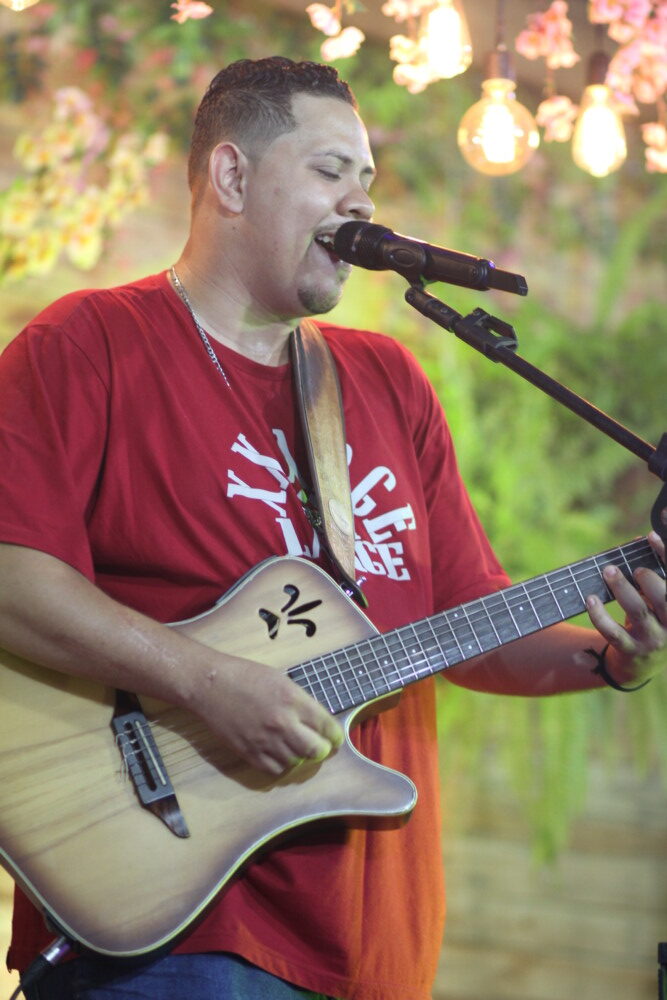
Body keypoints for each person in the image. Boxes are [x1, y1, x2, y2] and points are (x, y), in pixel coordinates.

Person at [0, 56, 664, 1000]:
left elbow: (466, 623)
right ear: (232, 177)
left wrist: (612, 656)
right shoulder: (89, 344)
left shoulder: (388, 379)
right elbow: (11, 576)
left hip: (375, 943)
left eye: (368, 179)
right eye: (329, 170)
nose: (360, 203)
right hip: (173, 926)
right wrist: (204, 681)